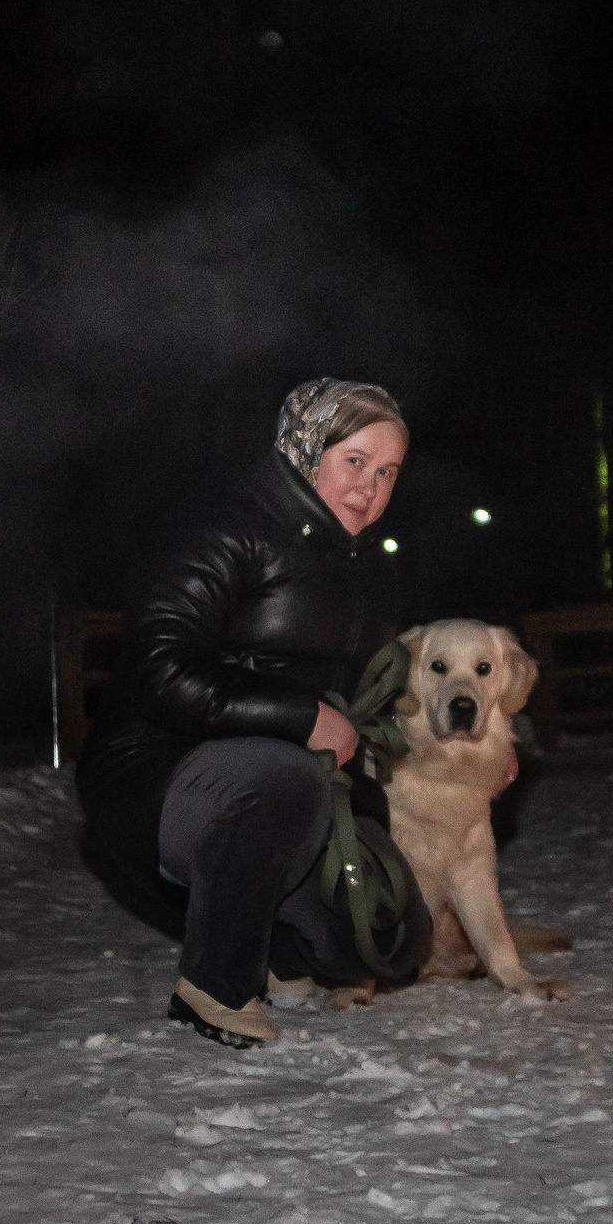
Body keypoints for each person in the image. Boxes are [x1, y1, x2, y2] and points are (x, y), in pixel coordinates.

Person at [76, 378, 432, 1049]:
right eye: (354, 461)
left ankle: (277, 948)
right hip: (157, 777)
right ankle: (216, 985)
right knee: (281, 778)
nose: (370, 487)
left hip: (287, 788)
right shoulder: (220, 528)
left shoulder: (370, 570)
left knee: (395, 933)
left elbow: (363, 710)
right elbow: (158, 671)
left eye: (387, 472)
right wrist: (298, 718)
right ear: (304, 447)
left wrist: (372, 815)